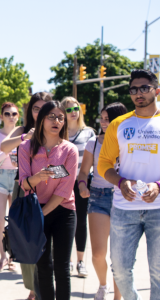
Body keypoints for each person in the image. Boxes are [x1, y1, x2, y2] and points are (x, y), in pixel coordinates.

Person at [97, 69, 160, 300]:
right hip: (125, 209)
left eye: (144, 88)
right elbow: (104, 164)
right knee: (120, 270)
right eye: (134, 89)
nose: (139, 93)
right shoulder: (119, 124)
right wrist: (120, 181)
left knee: (159, 273)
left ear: (157, 90)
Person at [18, 100, 78, 300]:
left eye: (61, 117)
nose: (57, 121)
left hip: (63, 211)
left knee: (62, 267)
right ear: (41, 119)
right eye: (52, 116)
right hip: (36, 208)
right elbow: (24, 184)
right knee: (43, 266)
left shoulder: (70, 150)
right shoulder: (26, 147)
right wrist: (39, 177)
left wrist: (40, 216)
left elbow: (64, 190)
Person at [0, 91, 52, 300]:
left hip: (50, 189)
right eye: (36, 108)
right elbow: (4, 147)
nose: (39, 112)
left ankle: (45, 287)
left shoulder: (56, 128)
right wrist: (25, 137)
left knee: (48, 239)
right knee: (26, 239)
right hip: (24, 189)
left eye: (44, 108)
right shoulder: (24, 129)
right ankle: (33, 289)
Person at [77, 102, 128, 300]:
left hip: (123, 197)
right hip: (98, 196)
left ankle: (117, 296)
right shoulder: (94, 142)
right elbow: (83, 172)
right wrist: (82, 185)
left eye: (109, 119)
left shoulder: (128, 142)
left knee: (119, 256)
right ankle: (103, 284)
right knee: (98, 254)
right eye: (103, 119)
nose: (104, 122)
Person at [60, 96, 95, 278]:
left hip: (82, 182)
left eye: (76, 108)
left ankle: (81, 261)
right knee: (65, 222)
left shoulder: (89, 133)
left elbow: (93, 162)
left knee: (81, 222)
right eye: (68, 110)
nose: (73, 112)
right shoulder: (58, 133)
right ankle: (69, 261)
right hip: (62, 183)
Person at [0, 102, 21, 273]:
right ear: (1, 116)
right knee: (0, 221)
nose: (11, 117)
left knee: (15, 222)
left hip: (17, 178)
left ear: (18, 116)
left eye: (14, 114)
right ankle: (2, 256)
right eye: (7, 114)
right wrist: (6, 152)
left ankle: (13, 257)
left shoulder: (24, 134)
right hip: (0, 178)